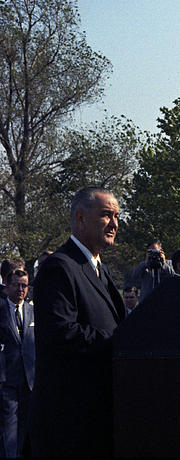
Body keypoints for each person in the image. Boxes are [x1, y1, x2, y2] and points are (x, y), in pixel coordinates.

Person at [30, 186, 125, 458]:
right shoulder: (59, 267)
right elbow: (62, 334)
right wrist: (121, 339)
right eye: (106, 215)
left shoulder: (100, 269)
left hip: (99, 419)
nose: (115, 224)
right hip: (69, 425)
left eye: (117, 216)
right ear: (81, 219)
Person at [0, 269, 35, 458]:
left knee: (25, 428)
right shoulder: (1, 309)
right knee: (9, 429)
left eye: (24, 285)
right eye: (16, 285)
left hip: (29, 380)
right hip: (7, 381)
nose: (21, 289)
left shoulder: (32, 311)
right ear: (7, 286)